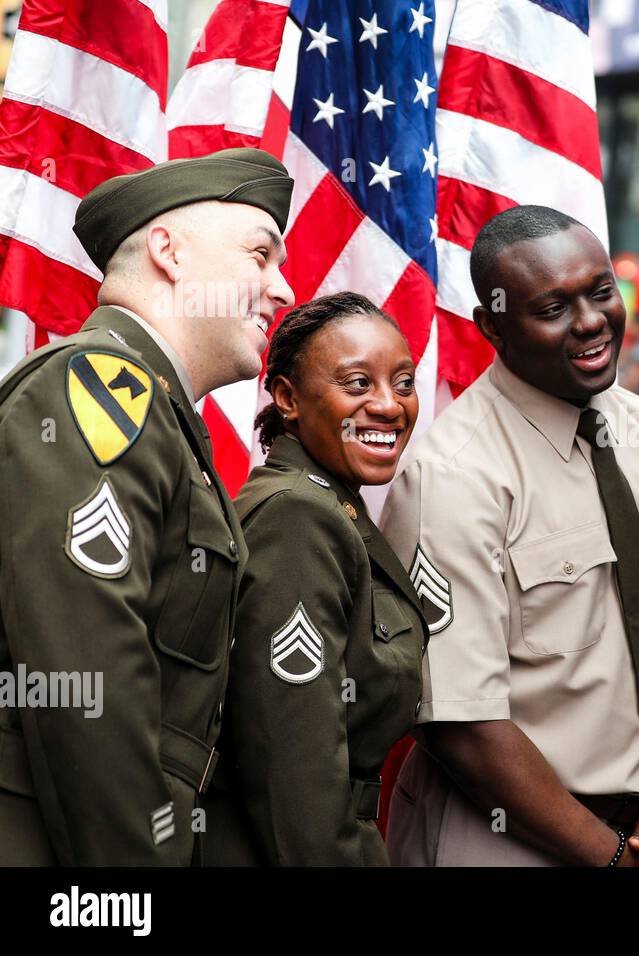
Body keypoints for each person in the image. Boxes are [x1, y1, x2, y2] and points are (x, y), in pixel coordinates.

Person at [0, 148, 295, 864]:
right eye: (260, 254)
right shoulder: (96, 385)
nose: (281, 287)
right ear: (168, 250)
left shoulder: (155, 412)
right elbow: (85, 685)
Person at [381, 205, 639, 866]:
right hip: (504, 843)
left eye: (601, 292)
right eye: (551, 308)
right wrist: (609, 857)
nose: (590, 322)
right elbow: (463, 726)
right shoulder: (452, 478)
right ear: (491, 326)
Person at [203, 292, 430, 865]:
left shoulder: (332, 506)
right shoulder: (297, 517)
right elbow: (295, 768)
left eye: (403, 383)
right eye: (358, 384)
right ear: (286, 398)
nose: (389, 405)